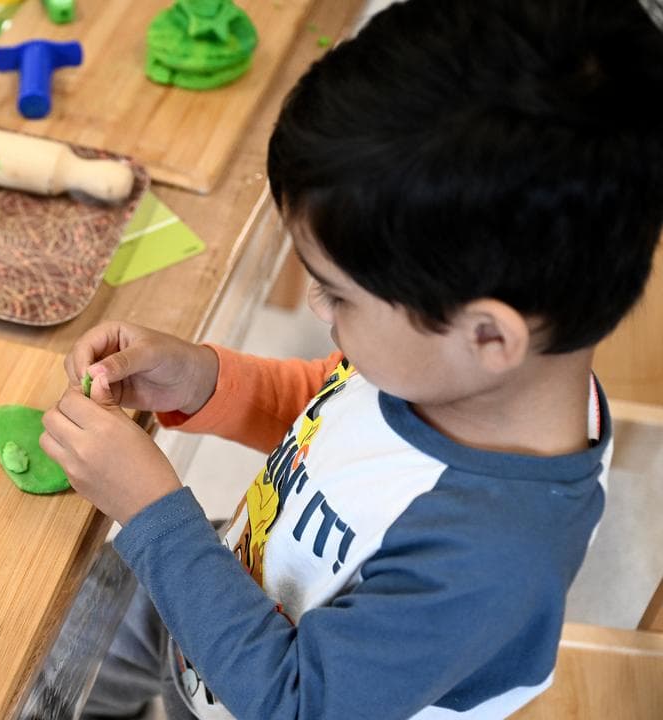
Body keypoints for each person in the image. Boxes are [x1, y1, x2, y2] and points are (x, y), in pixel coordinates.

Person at [38, 0, 663, 717]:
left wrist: (151, 511)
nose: (314, 308)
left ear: (489, 336)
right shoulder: (455, 374)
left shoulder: (489, 563)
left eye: (340, 296)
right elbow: (335, 415)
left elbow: (299, 702)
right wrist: (207, 378)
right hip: (222, 591)